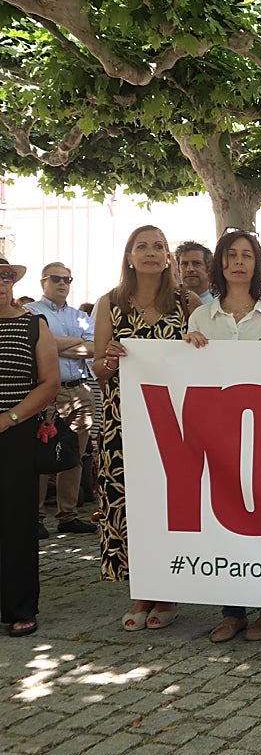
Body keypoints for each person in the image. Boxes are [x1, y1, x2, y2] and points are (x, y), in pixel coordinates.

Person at [183, 230, 261, 642]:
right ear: (221, 264)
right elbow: (188, 375)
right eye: (231, 256)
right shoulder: (200, 319)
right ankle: (232, 611)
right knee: (224, 518)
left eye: (247, 255)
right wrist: (187, 348)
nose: (238, 262)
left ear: (256, 264)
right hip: (219, 440)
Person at [94, 226, 202, 631]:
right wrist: (111, 358)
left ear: (168, 257)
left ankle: (169, 591)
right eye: (143, 246)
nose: (151, 253)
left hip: (174, 422)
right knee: (132, 504)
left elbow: (203, 357)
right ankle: (142, 590)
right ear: (129, 256)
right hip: (124, 422)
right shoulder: (110, 303)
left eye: (159, 246)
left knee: (168, 502)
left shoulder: (186, 302)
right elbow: (99, 370)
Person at [0, 257, 60, 637]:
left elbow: (49, 381)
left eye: (6, 276)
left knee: (17, 523)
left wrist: (9, 419)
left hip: (16, 434)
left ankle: (20, 606)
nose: (2, 282)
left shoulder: (33, 324)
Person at [25, 262, 98, 537]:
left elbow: (94, 347)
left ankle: (68, 515)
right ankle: (36, 516)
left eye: (67, 278)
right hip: (48, 391)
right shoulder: (31, 312)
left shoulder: (80, 316)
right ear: (43, 282)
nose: (62, 283)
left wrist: (57, 343)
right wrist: (72, 343)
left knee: (75, 455)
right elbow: (42, 345)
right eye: (56, 278)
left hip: (80, 390)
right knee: (43, 455)